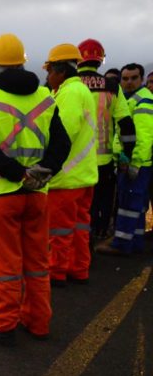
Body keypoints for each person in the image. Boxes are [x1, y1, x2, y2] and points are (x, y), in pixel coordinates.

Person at [0, 33, 70, 345]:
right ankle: (38, 321)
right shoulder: (46, 98)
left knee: (6, 264)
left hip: (2, 196)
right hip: (37, 195)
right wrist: (42, 172)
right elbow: (62, 144)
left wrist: (19, 174)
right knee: (37, 262)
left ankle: (1, 323)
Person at [42, 43, 98, 287]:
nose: (47, 77)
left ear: (60, 70)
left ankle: (57, 272)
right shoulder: (81, 91)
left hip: (66, 177)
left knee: (60, 231)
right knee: (79, 228)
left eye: (49, 71)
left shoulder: (69, 93)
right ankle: (79, 269)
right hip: (83, 175)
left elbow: (61, 134)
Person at [77, 39, 135, 242]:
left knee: (78, 208)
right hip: (104, 161)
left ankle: (82, 242)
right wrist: (127, 153)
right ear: (100, 61)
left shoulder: (68, 85)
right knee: (102, 201)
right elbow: (126, 123)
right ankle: (99, 231)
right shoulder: (112, 86)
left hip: (74, 163)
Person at [96, 63, 153, 255]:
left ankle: (121, 244)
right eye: (125, 79)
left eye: (133, 78)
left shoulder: (143, 100)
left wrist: (134, 162)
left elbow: (144, 136)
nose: (128, 82)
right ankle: (135, 241)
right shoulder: (129, 99)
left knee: (128, 204)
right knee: (135, 205)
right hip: (130, 160)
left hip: (135, 162)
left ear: (142, 79)